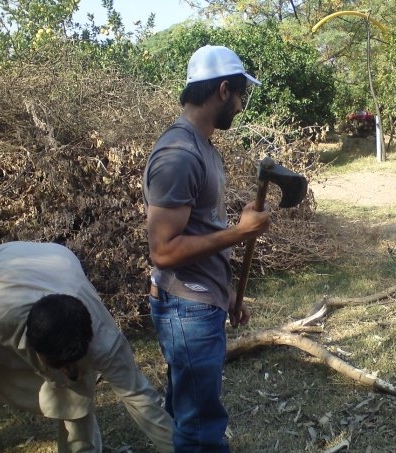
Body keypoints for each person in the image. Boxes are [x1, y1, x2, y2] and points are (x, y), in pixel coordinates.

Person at [142, 45, 271, 452]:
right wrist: (239, 232)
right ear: (222, 89)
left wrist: (227, 293)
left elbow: (200, 227)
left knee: (189, 412)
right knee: (201, 430)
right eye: (239, 96)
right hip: (187, 309)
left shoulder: (204, 148)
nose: (240, 106)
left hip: (201, 301)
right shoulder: (178, 155)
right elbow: (163, 251)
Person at [0, 241, 174, 452]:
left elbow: (140, 397)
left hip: (54, 265)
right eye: (61, 364)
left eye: (72, 362)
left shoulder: (105, 341)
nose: (70, 371)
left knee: (76, 391)